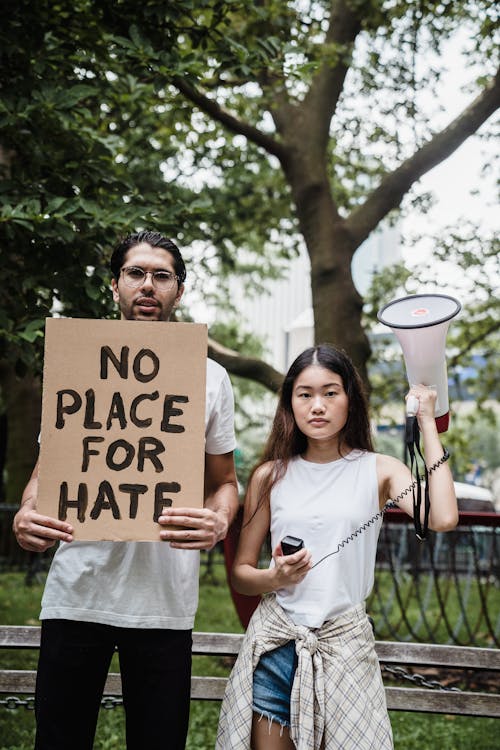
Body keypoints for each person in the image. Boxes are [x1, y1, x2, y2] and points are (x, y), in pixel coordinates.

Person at [13, 230, 239, 750]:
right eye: (136, 273)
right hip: (76, 594)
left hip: (164, 602)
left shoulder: (210, 377)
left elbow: (225, 484)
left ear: (178, 291)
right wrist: (27, 511)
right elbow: (46, 472)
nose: (147, 286)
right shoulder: (75, 363)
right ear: (115, 285)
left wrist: (219, 520)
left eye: (162, 276)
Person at [216, 344, 458, 750]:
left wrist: (427, 421)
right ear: (290, 402)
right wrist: (273, 577)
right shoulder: (269, 476)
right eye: (305, 394)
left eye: (331, 393)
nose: (318, 406)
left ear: (351, 400)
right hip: (276, 649)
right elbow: (242, 574)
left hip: (344, 650)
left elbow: (443, 517)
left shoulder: (379, 469)